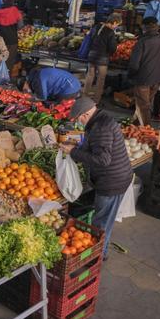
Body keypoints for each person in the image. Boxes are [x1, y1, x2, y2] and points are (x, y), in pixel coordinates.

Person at [63, 96, 132, 259]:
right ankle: (101, 251)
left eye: (77, 119)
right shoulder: (101, 119)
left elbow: (103, 160)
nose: (77, 123)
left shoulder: (101, 128)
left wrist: (73, 152)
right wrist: (78, 147)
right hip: (114, 178)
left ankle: (99, 256)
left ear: (85, 115)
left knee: (101, 223)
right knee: (104, 219)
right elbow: (97, 149)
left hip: (111, 182)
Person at [126, 18, 160, 125]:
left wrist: (130, 75)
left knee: (144, 105)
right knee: (146, 103)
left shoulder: (142, 42)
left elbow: (134, 64)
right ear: (157, 27)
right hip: (157, 79)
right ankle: (135, 124)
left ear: (144, 28)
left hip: (142, 79)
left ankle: (146, 129)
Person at [83, 17, 120, 100]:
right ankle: (96, 99)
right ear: (114, 22)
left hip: (92, 55)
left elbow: (91, 39)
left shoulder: (97, 27)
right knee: (100, 79)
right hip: (102, 59)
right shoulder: (110, 32)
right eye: (117, 24)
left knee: (89, 76)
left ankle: (84, 96)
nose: (116, 26)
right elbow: (112, 48)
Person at [0, 3, 23, 75]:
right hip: (12, 40)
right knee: (9, 61)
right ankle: (6, 78)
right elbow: (20, 26)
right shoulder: (16, 12)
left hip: (0, 40)